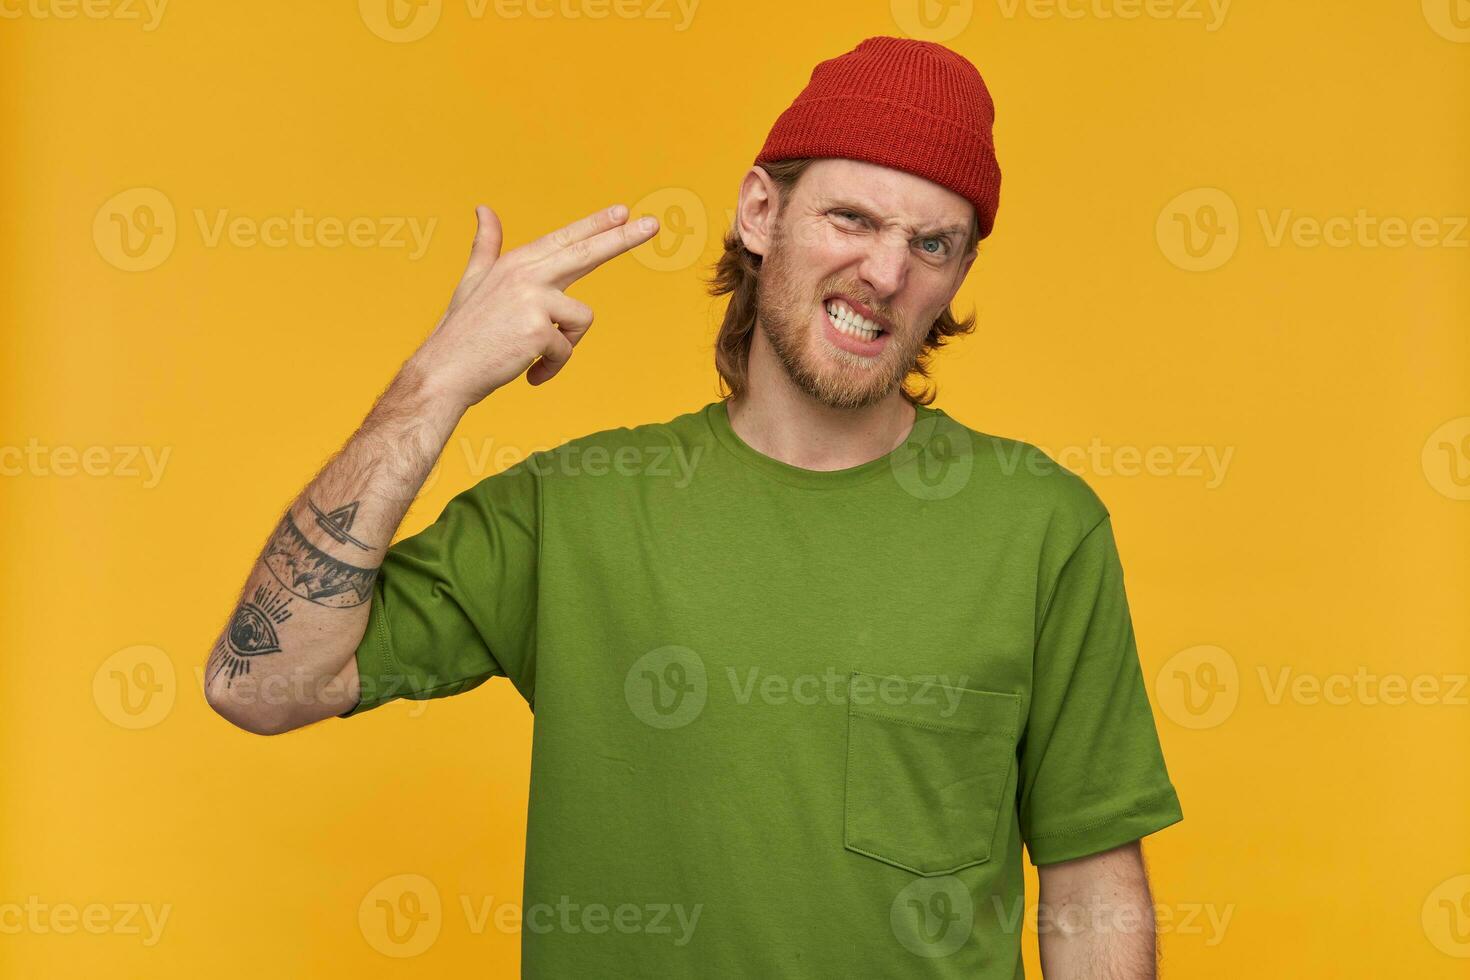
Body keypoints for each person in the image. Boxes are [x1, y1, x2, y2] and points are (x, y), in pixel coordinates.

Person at [206, 35, 1183, 979]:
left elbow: (1091, 874)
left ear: (959, 273)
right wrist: (439, 379)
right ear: (761, 212)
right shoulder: (573, 512)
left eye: (934, 241)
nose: (888, 273)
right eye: (852, 219)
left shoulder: (1039, 525)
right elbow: (261, 681)